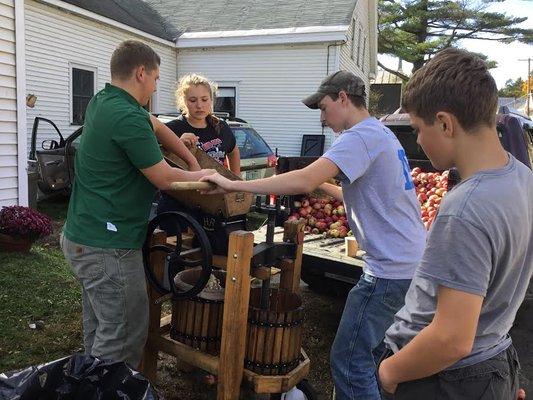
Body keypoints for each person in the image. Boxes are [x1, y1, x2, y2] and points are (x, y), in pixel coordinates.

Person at [200, 70, 427, 399]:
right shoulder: (380, 133)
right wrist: (310, 178)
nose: (322, 118)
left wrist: (233, 184)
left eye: (323, 107)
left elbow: (304, 182)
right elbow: (355, 193)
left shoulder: (359, 137)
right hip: (407, 264)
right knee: (369, 358)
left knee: (348, 362)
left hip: (389, 271)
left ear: (343, 98)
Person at [378, 48, 533, 399]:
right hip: (494, 356)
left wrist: (389, 372)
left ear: (446, 124)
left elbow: (451, 338)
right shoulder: (523, 178)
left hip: (442, 379)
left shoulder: (465, 207)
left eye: (418, 128)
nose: (416, 139)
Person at [60, 40, 214, 369]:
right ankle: (106, 390)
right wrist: (209, 180)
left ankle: (89, 385)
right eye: (157, 78)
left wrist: (191, 161)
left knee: (101, 330)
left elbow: (157, 125)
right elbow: (163, 177)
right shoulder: (127, 117)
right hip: (108, 247)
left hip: (82, 237)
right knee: (124, 334)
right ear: (141, 73)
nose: (156, 86)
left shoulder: (102, 101)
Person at [157, 74, 240, 226]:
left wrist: (235, 180)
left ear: (211, 100)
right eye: (193, 100)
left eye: (204, 99)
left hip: (213, 205)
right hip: (179, 206)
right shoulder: (171, 129)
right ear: (183, 102)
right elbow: (156, 158)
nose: (199, 106)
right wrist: (177, 144)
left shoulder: (221, 128)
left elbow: (233, 151)